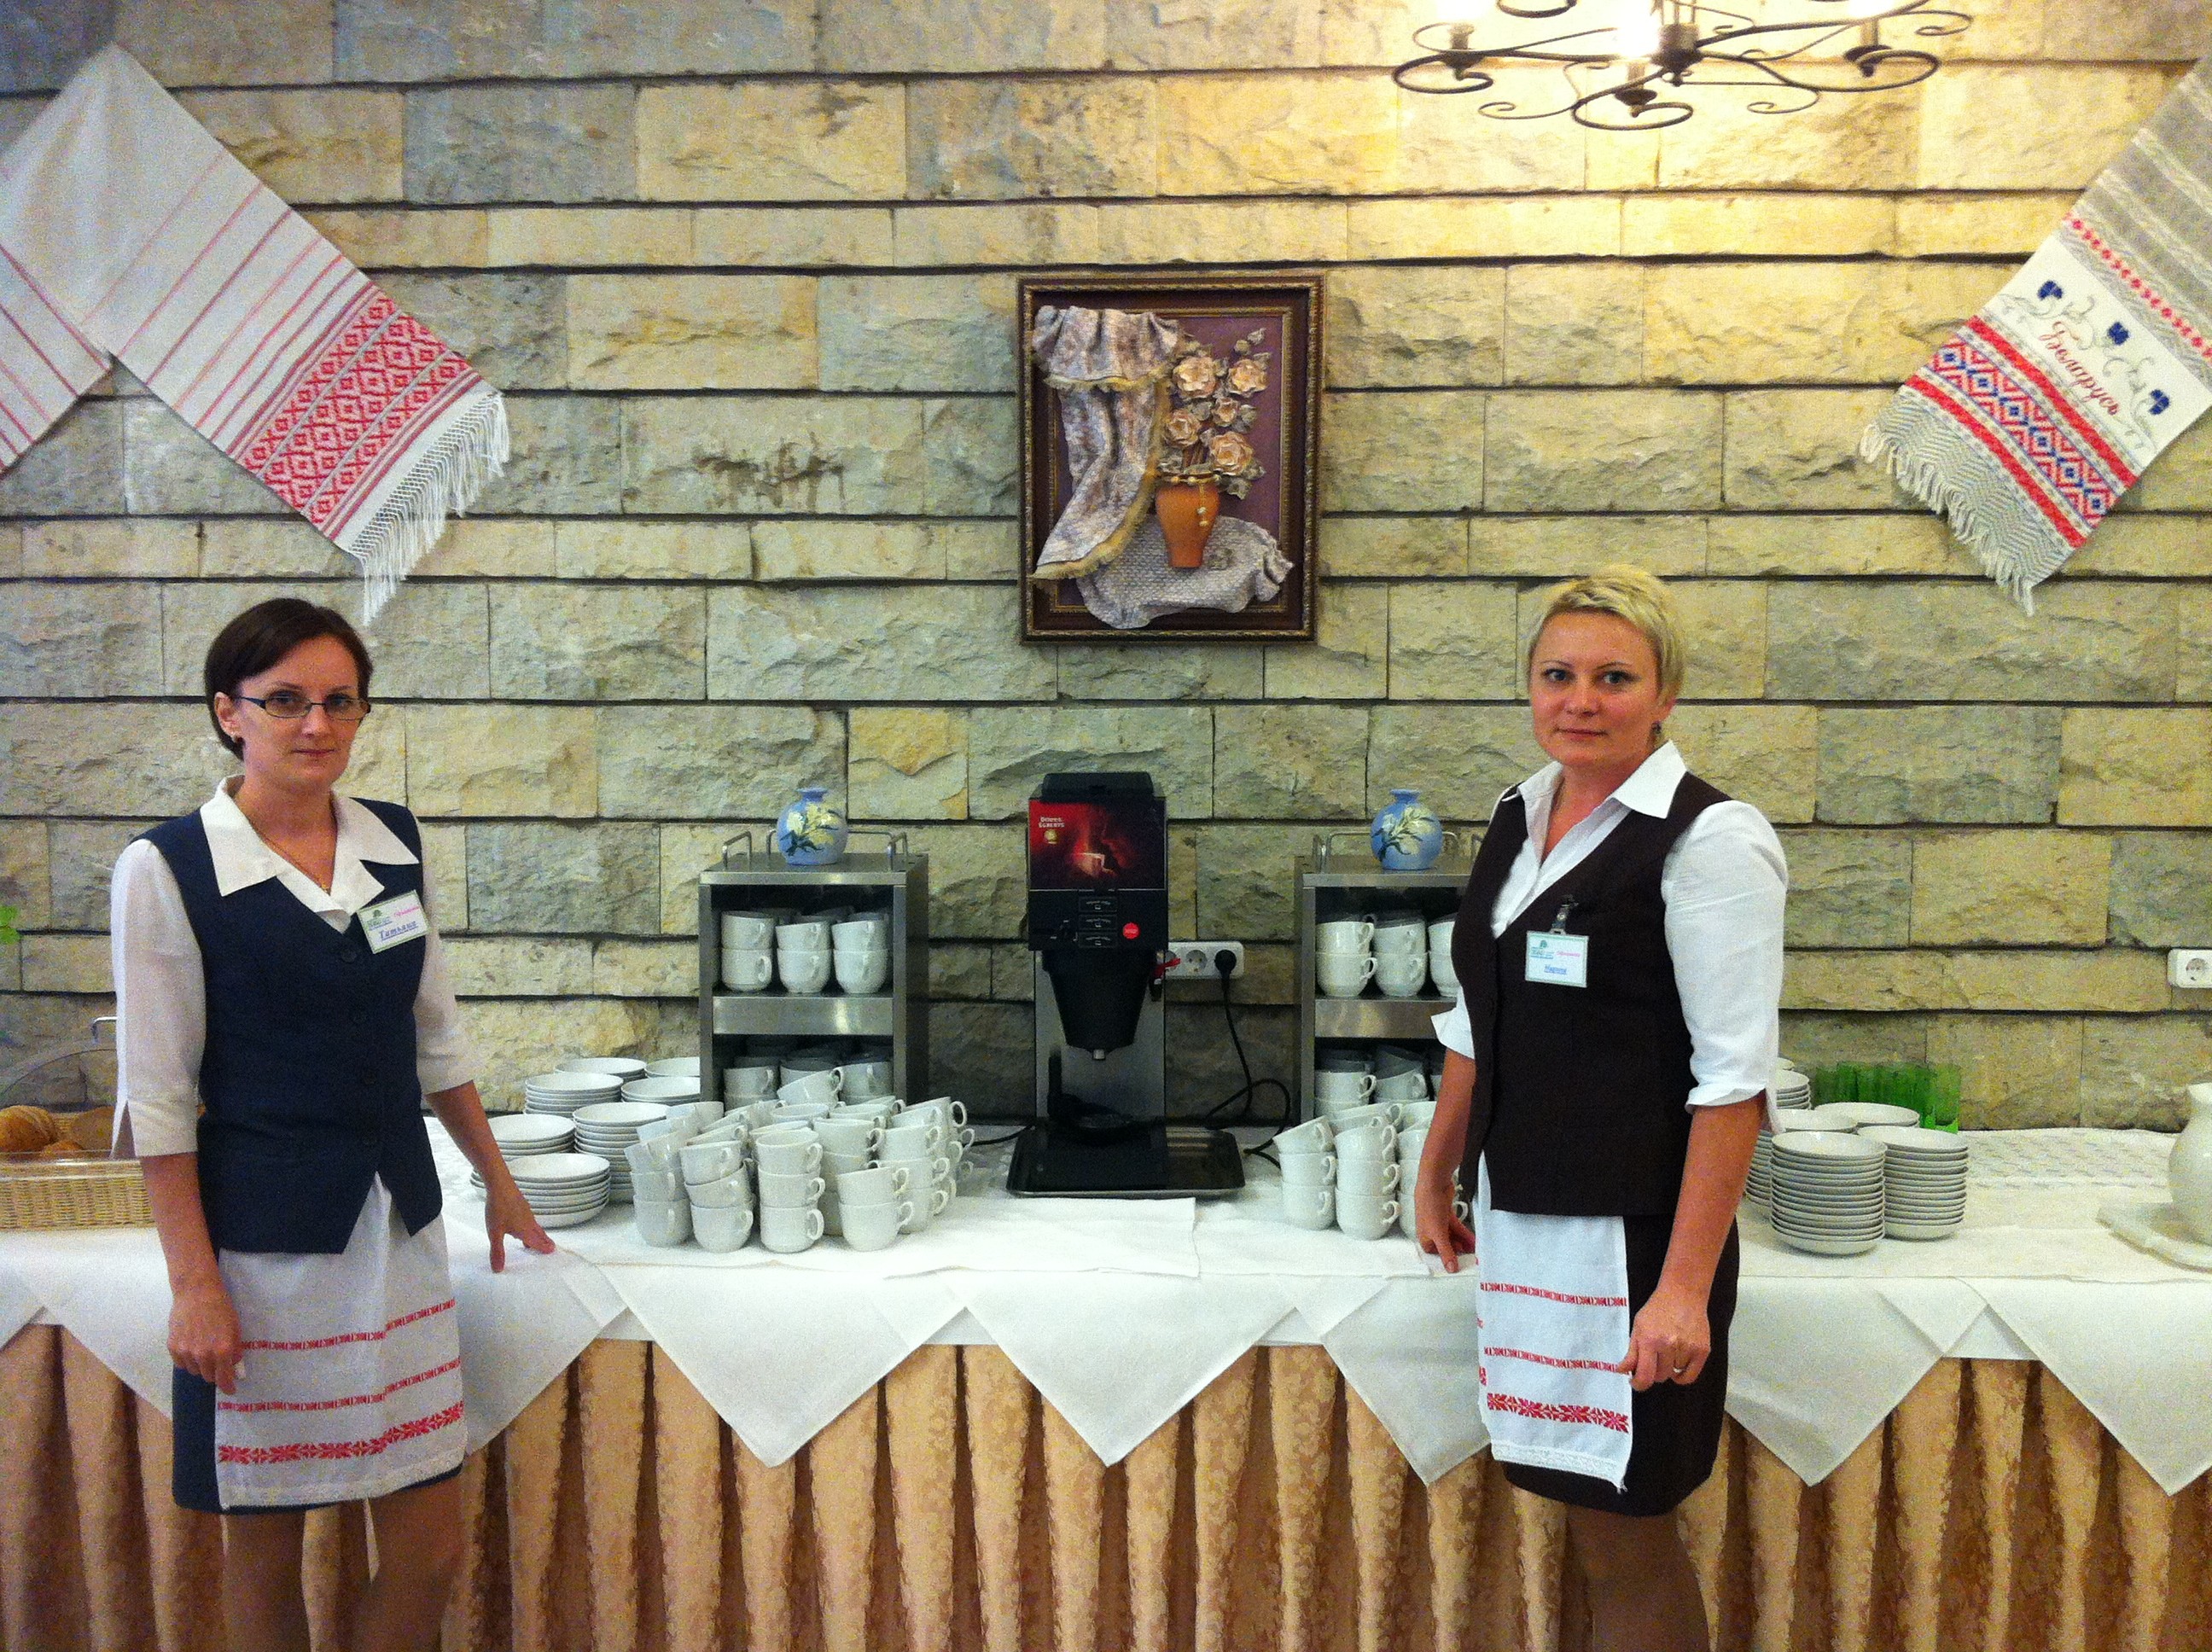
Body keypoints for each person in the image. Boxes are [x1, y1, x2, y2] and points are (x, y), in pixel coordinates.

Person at [111, 597, 553, 1652]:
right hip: (264, 1259)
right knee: (268, 1549)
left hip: (397, 1235)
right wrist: (194, 1285)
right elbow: (159, 1101)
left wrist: (498, 1180)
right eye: (285, 701)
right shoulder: (169, 869)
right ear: (229, 713)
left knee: (429, 1544)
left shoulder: (392, 842)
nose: (316, 724)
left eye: (339, 701)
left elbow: (434, 1033)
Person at [1413, 566, 1785, 1652]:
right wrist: (1438, 1170)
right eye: (1558, 674)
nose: (1581, 699)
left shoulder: (1711, 840)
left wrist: (1684, 1291)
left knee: (1629, 1538)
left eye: (1614, 677)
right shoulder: (1519, 812)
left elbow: (1733, 1082)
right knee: (1588, 1522)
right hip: (1528, 1223)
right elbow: (1478, 1015)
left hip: (1634, 1244)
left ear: (1666, 693)